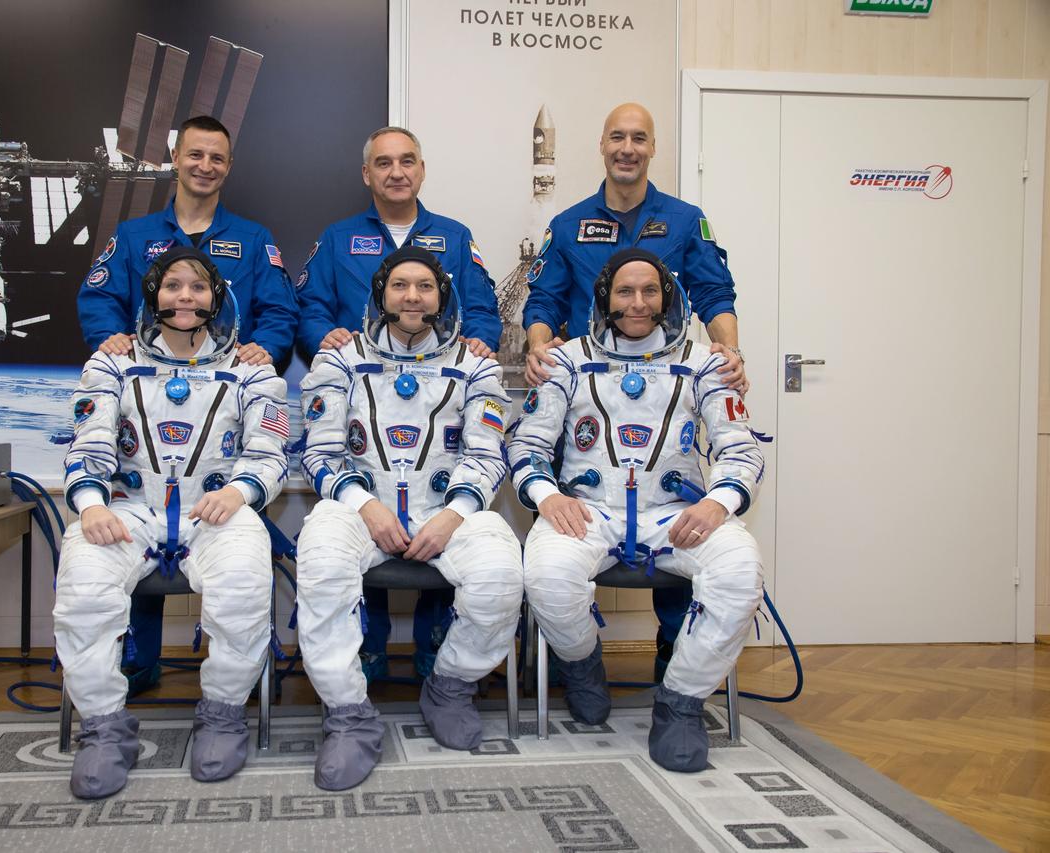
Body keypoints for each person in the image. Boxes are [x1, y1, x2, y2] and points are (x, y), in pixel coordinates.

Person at [511, 248, 764, 772]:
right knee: (548, 575)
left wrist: (719, 503)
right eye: (625, 291)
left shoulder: (706, 363)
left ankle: (680, 704)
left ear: (668, 298)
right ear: (605, 297)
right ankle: (583, 668)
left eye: (650, 291)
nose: (638, 303)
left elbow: (740, 448)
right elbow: (527, 444)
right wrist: (548, 495)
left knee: (740, 571)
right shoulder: (567, 361)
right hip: (588, 509)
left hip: (677, 512)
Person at [54, 247, 289, 797]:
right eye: (172, 286)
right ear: (153, 297)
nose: (185, 297)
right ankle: (105, 729)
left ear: (218, 297)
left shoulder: (250, 371)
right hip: (129, 511)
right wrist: (91, 506)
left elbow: (271, 452)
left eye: (198, 287)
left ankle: (224, 715)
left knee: (241, 587)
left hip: (217, 509)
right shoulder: (111, 364)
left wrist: (238, 492)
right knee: (84, 588)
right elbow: (87, 450)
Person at [523, 102, 747, 680]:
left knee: (677, 507)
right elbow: (544, 298)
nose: (628, 148)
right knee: (563, 523)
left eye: (639, 138)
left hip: (665, 391)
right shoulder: (570, 224)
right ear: (602, 145)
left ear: (653, 148)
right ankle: (574, 659)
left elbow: (715, 291)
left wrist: (729, 351)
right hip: (584, 396)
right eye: (617, 137)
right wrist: (541, 347)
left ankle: (679, 657)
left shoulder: (684, 219)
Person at [76, 115, 298, 696]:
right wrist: (111, 341)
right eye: (195, 155)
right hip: (146, 406)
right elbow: (98, 299)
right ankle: (136, 662)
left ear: (229, 166)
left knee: (227, 537)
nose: (205, 166)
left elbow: (280, 313)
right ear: (176, 158)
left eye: (217, 158)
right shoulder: (131, 236)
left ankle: (233, 671)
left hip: (223, 410)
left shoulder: (252, 240)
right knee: (141, 504)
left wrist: (262, 353)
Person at [294, 246, 523, 790]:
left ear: (442, 296)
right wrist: (366, 506)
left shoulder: (476, 365)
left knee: (500, 574)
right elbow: (320, 454)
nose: (412, 296)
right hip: (360, 505)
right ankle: (348, 712)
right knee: (321, 563)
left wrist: (453, 515)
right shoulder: (338, 360)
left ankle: (449, 684)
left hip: (446, 508)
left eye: (425, 286)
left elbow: (488, 455)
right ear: (380, 294)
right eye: (400, 285)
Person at [295, 126, 503, 680]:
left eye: (407, 160)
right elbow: (312, 308)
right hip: (363, 401)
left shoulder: (454, 237)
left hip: (439, 401)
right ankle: (367, 655)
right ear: (367, 174)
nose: (396, 172)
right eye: (383, 163)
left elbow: (481, 306)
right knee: (363, 516)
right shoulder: (338, 239)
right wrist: (329, 341)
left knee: (445, 510)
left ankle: (441, 659)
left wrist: (477, 341)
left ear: (422, 169)